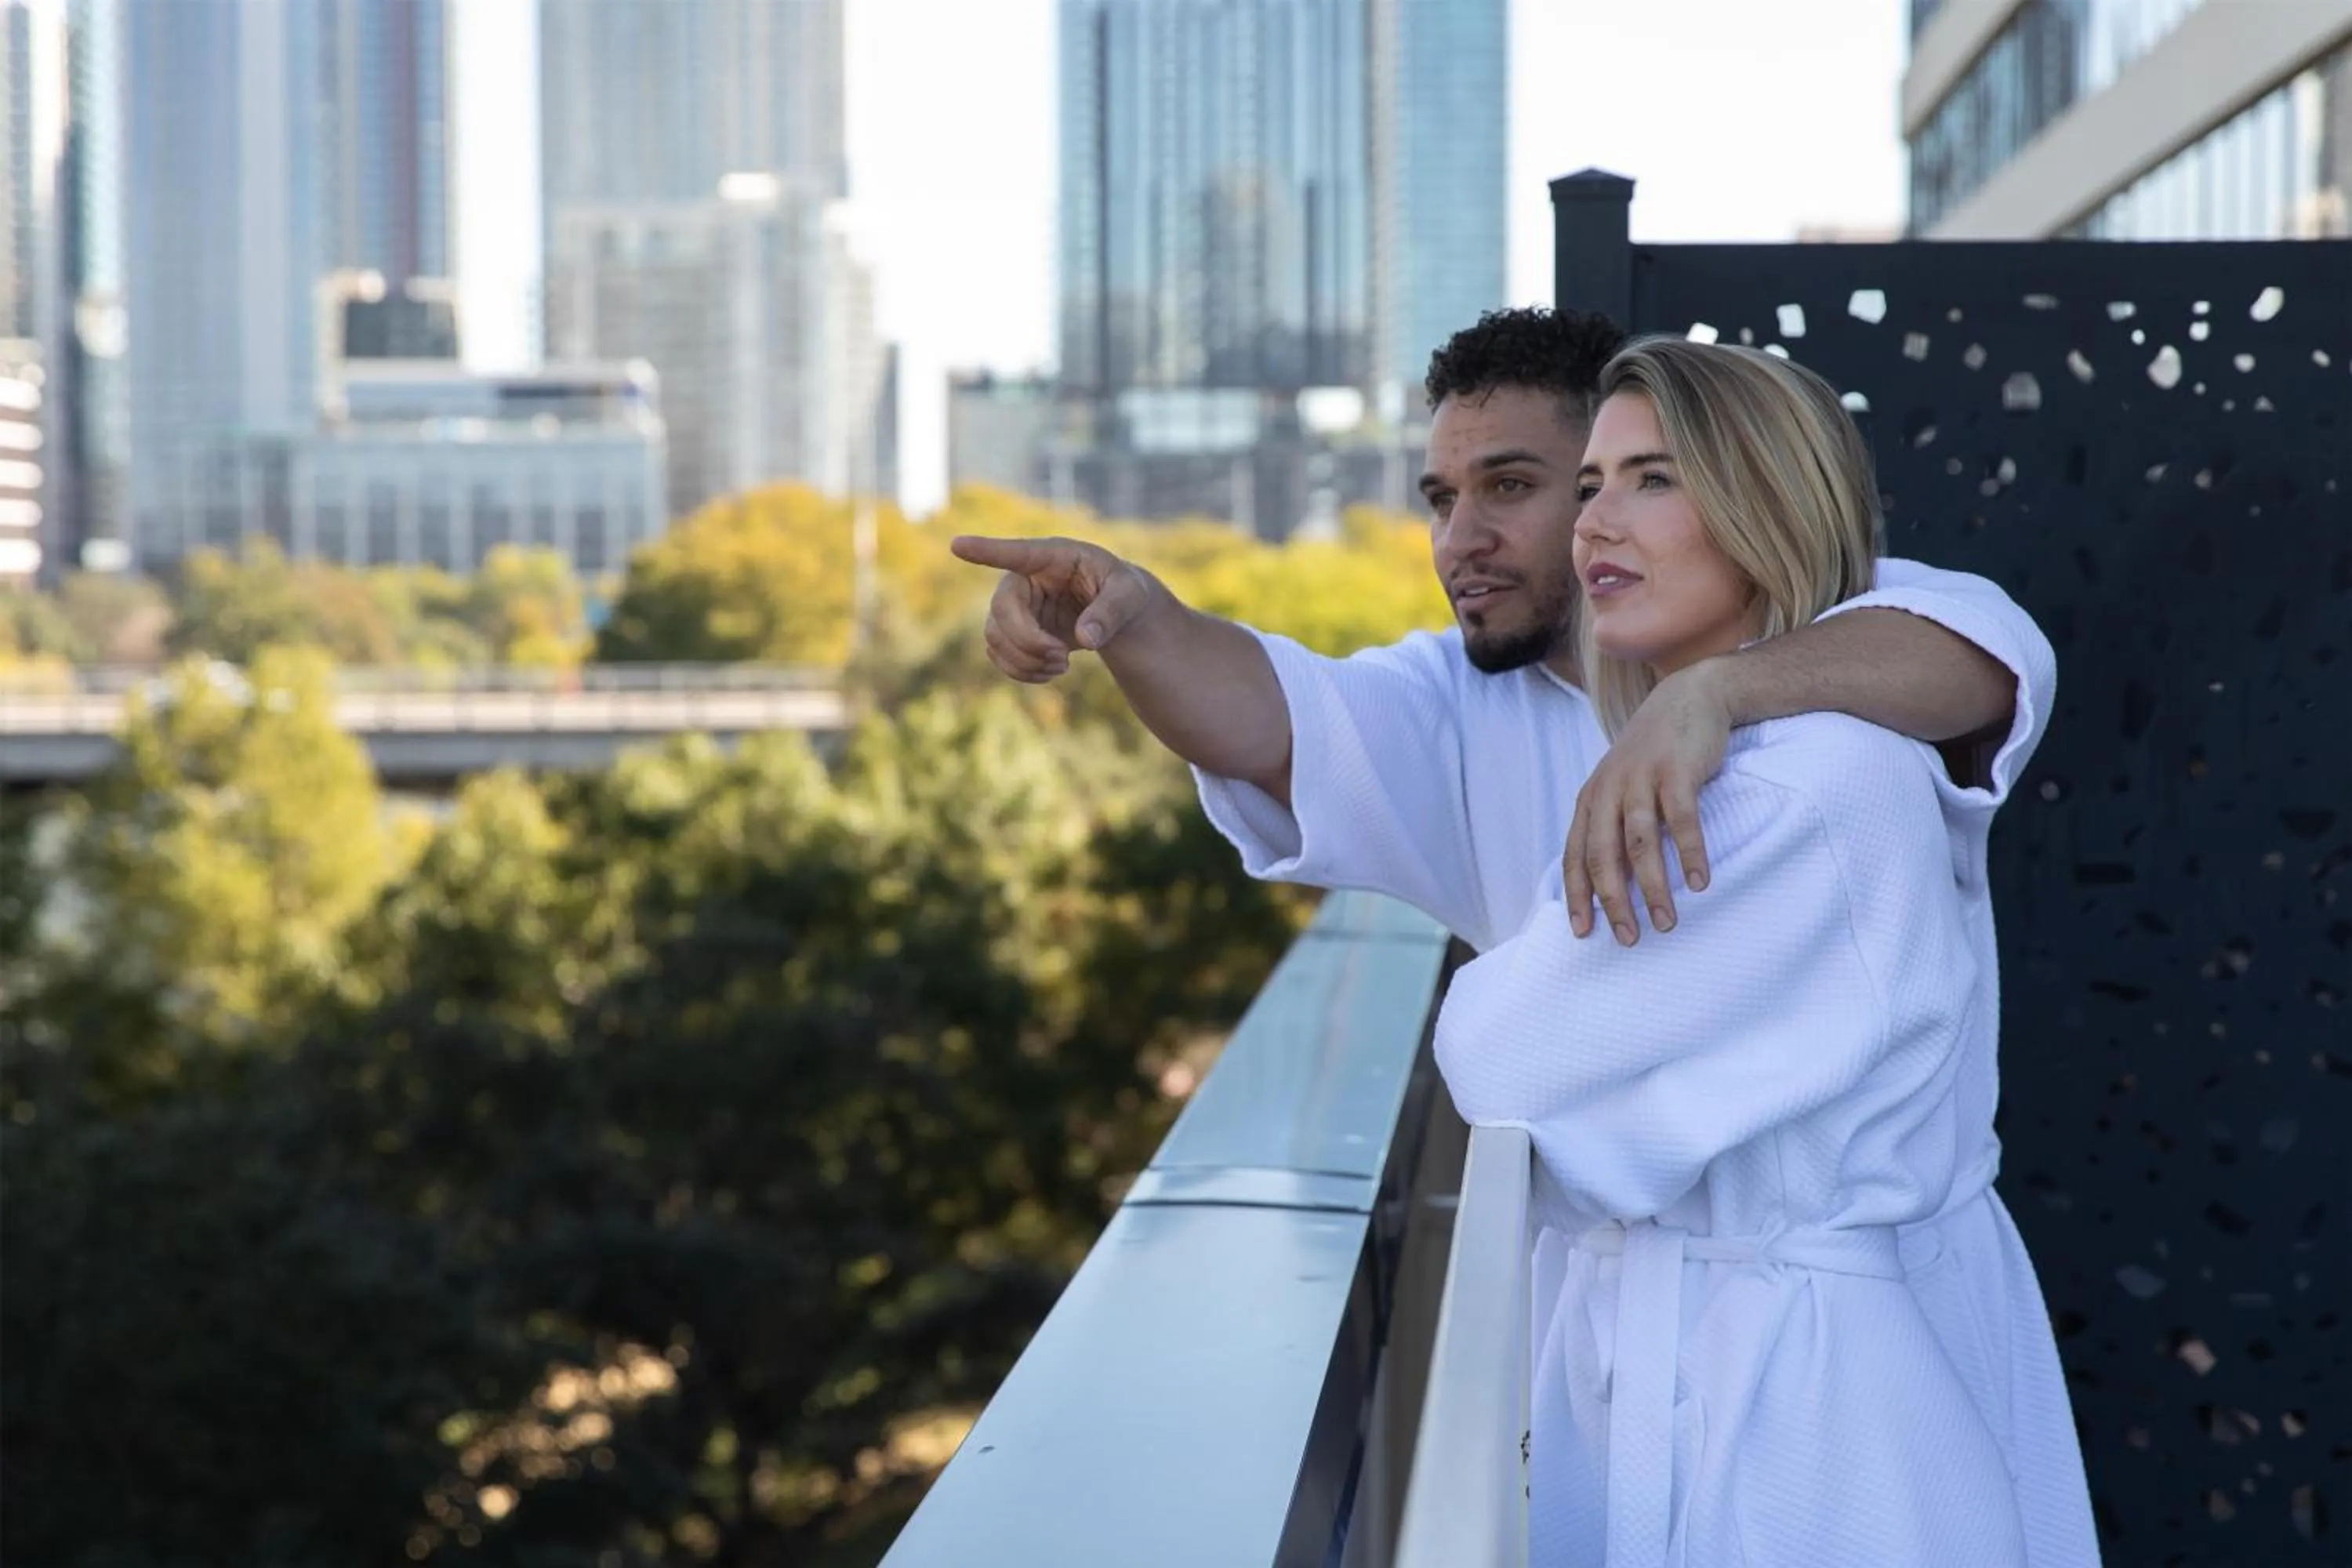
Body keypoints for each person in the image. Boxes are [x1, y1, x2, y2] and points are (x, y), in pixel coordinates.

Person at [953, 307, 2098, 1566]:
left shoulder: (1821, 718)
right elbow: (1269, 715)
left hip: (1814, 1362)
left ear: (1749, 497)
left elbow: (1992, 658)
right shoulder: (1460, 697)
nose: (1465, 538)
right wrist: (1135, 620)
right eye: (1442, 496)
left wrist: (1723, 696)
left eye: (1518, 486)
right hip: (1661, 1333)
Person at [1432, 335, 2079, 1563]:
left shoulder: (1794, 788)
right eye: (1588, 487)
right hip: (1786, 1358)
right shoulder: (1802, 752)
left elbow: (1498, 1056)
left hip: (1792, 1417)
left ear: (1768, 504)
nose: (1596, 523)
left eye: (1654, 479)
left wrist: (1713, 698)